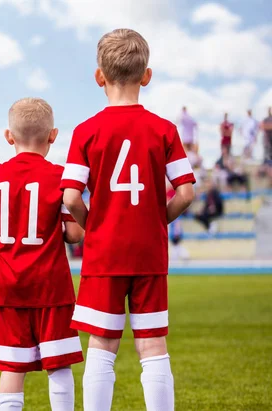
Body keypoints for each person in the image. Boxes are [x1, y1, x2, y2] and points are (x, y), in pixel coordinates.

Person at [61, 29, 195, 411]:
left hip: (105, 252)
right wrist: (157, 221)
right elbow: (186, 192)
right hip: (149, 251)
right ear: (146, 76)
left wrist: (94, 227)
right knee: (152, 344)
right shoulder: (164, 129)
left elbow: (71, 195)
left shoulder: (86, 131)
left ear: (99, 76)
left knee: (102, 345)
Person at [0, 98, 85, 411]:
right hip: (52, 285)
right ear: (53, 135)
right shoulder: (62, 178)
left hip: (9, 286)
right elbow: (74, 235)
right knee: (59, 364)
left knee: (12, 367)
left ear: (9, 136)